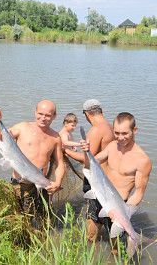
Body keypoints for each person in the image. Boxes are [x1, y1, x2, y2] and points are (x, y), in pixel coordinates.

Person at [80, 112, 152, 250]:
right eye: (117, 133)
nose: (120, 137)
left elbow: (139, 192)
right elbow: (91, 163)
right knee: (89, 237)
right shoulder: (112, 146)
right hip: (99, 197)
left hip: (119, 206)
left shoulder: (142, 160)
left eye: (125, 133)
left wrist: (122, 213)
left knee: (117, 249)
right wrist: (86, 150)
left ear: (134, 130)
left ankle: (133, 243)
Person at [0, 100, 65, 222]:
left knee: (44, 221)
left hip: (42, 185)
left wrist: (58, 182)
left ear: (54, 116)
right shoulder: (22, 127)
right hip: (20, 185)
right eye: (40, 113)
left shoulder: (56, 138)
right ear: (35, 112)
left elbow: (60, 164)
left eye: (47, 115)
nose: (43, 118)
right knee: (21, 221)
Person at [64, 99, 114, 241]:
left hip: (97, 180)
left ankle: (90, 244)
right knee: (107, 212)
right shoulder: (110, 126)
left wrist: (66, 151)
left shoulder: (96, 129)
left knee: (93, 214)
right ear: (101, 110)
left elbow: (88, 160)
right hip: (109, 178)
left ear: (87, 114)